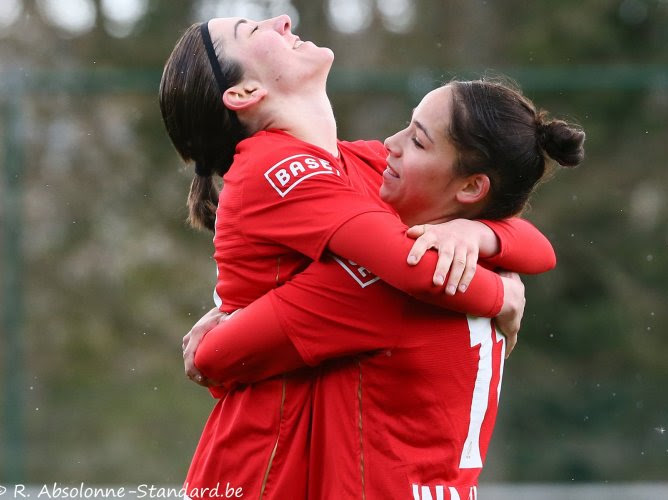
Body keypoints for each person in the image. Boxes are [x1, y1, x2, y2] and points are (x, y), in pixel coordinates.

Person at [159, 15, 531, 500]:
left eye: (416, 139)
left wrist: (478, 233)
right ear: (245, 93)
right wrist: (501, 290)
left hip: (308, 470)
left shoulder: (351, 163)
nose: (282, 19)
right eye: (252, 32)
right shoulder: (278, 166)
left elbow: (529, 240)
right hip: (261, 471)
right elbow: (410, 271)